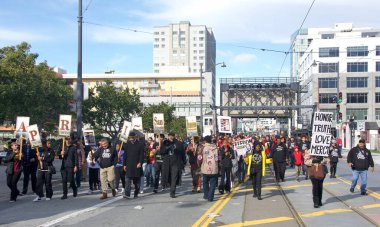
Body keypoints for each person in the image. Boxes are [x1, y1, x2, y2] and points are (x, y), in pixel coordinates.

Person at [160, 132, 186, 198]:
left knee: (174, 177)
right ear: (168, 136)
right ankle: (170, 187)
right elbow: (161, 152)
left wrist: (184, 161)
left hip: (175, 163)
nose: (171, 137)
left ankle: (172, 192)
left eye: (172, 136)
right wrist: (167, 148)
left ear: (174, 136)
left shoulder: (178, 143)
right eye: (170, 136)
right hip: (167, 163)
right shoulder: (165, 143)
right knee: (168, 177)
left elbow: (182, 153)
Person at [123, 132, 144, 199]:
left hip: (137, 165)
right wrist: (124, 164)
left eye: (132, 137)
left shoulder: (140, 144)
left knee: (137, 181)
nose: (131, 139)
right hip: (129, 165)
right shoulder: (126, 144)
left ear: (135, 137)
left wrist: (140, 162)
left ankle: (136, 193)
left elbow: (141, 155)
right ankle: (127, 194)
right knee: (128, 180)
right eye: (130, 137)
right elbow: (125, 155)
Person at [198, 135, 219, 202]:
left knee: (205, 182)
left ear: (205, 140)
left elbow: (199, 158)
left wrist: (199, 165)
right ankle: (210, 197)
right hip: (214, 167)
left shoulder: (203, 147)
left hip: (205, 167)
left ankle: (206, 195)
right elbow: (218, 158)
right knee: (213, 183)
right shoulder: (215, 147)